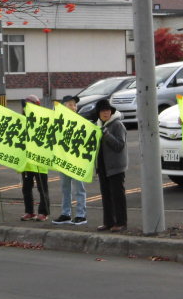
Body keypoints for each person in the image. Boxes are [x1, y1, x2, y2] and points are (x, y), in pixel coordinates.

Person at [52, 95, 88, 226]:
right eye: (70, 104)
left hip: (76, 159)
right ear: (63, 107)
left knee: (79, 188)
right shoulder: (57, 121)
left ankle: (81, 215)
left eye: (74, 105)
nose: (73, 107)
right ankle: (65, 214)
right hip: (63, 159)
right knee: (65, 188)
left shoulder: (80, 121)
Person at [95, 98, 128, 232]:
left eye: (108, 110)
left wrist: (106, 134)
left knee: (117, 196)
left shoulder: (117, 125)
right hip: (103, 166)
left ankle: (121, 222)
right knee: (106, 196)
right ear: (98, 113)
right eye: (103, 110)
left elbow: (119, 145)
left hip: (116, 167)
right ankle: (108, 222)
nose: (106, 113)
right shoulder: (97, 125)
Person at [19, 95, 50, 222]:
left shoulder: (43, 120)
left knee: (42, 188)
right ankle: (29, 211)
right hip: (26, 161)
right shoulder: (21, 120)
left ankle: (44, 212)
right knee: (26, 188)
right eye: (25, 105)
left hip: (40, 160)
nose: (25, 107)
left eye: (28, 105)